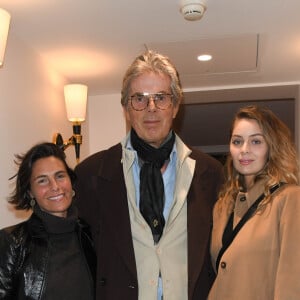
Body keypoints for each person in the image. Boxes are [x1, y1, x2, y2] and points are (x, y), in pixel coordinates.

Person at [74, 49, 223, 300]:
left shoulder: (211, 173)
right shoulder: (91, 175)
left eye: (161, 97)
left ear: (175, 106)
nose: (150, 108)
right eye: (139, 99)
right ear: (126, 108)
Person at [208, 105, 300, 299]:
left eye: (256, 141)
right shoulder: (222, 207)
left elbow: (292, 282)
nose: (244, 150)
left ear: (272, 147)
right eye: (237, 141)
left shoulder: (290, 199)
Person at [0, 142, 96, 299]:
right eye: (42, 180)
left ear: (70, 182)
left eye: (60, 176)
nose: (55, 186)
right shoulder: (11, 243)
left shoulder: (90, 235)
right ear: (30, 192)